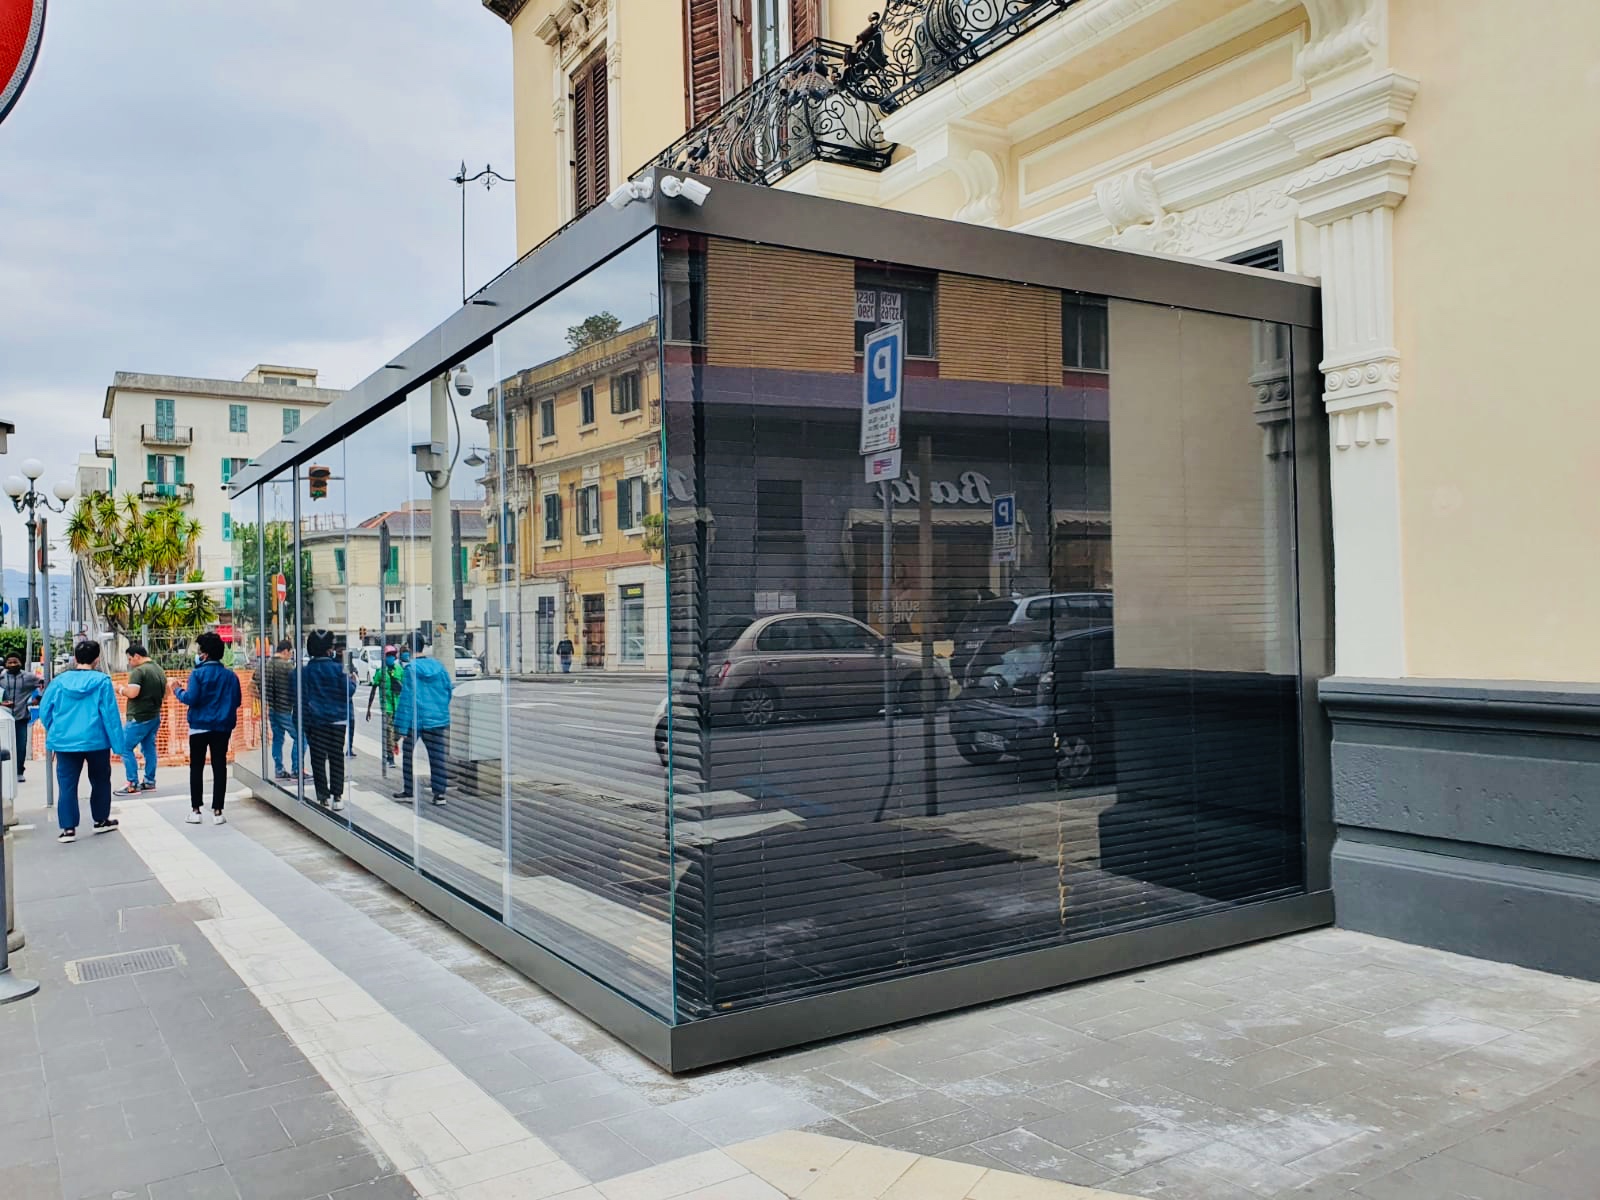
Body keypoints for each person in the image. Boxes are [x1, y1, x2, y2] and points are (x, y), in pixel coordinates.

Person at [39, 640, 126, 842]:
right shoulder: (102, 681)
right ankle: (101, 820)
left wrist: (56, 729)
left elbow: (44, 711)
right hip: (96, 740)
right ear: (97, 659)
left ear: (75, 658)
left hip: (65, 741)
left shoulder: (59, 681)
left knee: (67, 784)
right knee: (100, 781)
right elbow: (110, 715)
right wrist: (118, 745)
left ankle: (68, 828)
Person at [175, 631, 242, 825]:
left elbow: (191, 698)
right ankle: (218, 811)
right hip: (222, 727)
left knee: (196, 767)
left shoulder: (197, 674)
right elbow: (237, 701)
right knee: (219, 766)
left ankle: (196, 811)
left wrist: (177, 690)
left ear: (204, 654)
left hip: (199, 726)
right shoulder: (231, 676)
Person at [393, 633, 453, 806]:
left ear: (408, 647)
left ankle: (409, 790)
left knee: (408, 754)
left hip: (416, 721)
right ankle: (439, 794)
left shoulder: (411, 669)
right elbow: (448, 689)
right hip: (436, 720)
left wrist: (401, 727)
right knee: (437, 757)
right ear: (423, 645)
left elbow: (407, 699)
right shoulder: (438, 666)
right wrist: (439, 709)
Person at [299, 629, 348, 812]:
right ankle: (337, 796)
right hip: (337, 721)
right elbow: (348, 691)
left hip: (316, 722)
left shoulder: (306, 672)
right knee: (337, 757)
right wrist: (352, 680)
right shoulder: (338, 668)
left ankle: (323, 796)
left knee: (317, 758)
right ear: (329, 649)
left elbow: (302, 697)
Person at [114, 643, 166, 795]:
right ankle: (149, 781)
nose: (129, 663)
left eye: (130, 659)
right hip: (154, 715)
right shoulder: (158, 669)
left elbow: (133, 693)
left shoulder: (139, 672)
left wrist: (119, 689)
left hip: (138, 717)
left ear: (137, 656)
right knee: (149, 748)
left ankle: (132, 783)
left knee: (124, 747)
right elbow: (166, 692)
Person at [0, 652, 43, 783]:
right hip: (3, 717)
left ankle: (19, 772)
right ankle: (4, 772)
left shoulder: (28, 677)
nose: (13, 664)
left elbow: (44, 683)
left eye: (15, 662)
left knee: (21, 746)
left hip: (21, 717)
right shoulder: (1, 677)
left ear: (20, 662)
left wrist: (38, 698)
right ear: (6, 664)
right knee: (3, 746)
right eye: (10, 662)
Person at [265, 639, 301, 780]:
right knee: (300, 737)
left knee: (278, 739)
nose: (291, 655)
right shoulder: (287, 666)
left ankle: (279, 769)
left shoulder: (267, 664)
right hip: (285, 709)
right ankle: (297, 769)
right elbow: (296, 686)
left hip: (272, 708)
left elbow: (255, 683)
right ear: (285, 651)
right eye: (290, 652)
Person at [365, 644, 401, 766]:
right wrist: (369, 708)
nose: (391, 658)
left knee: (398, 732)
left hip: (398, 706)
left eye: (392, 655)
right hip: (387, 707)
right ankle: (390, 757)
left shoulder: (399, 670)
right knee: (389, 731)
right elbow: (373, 690)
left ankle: (393, 744)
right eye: (388, 655)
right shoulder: (380, 672)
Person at [345, 661, 359, 757]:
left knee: (351, 724)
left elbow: (355, 673)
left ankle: (349, 748)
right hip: (341, 701)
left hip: (347, 702)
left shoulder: (348, 663)